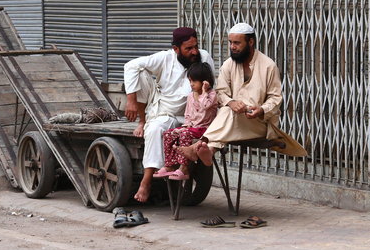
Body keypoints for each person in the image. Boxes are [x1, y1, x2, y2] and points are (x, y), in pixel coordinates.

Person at [178, 23, 306, 165]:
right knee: (228, 110)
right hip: (232, 120)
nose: (232, 47)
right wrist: (231, 103)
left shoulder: (269, 66)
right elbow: (220, 92)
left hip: (258, 123)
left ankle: (198, 146)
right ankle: (210, 149)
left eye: (237, 43)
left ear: (250, 42)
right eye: (231, 42)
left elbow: (276, 98)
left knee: (228, 112)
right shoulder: (228, 64)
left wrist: (261, 110)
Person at [124, 27, 215, 202]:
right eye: (188, 48)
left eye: (195, 46)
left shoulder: (204, 57)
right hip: (164, 113)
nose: (194, 52)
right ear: (176, 49)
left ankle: (158, 178)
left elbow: (211, 89)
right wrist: (131, 101)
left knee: (175, 131)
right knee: (154, 128)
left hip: (193, 117)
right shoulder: (165, 58)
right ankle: (146, 181)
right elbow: (130, 65)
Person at [153, 62, 218, 181]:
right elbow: (187, 115)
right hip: (192, 128)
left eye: (194, 81)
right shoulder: (190, 96)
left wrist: (204, 91)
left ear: (204, 81)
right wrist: (186, 126)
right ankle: (169, 165)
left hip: (205, 129)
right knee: (168, 134)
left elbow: (205, 106)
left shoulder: (211, 95)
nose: (191, 84)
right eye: (190, 81)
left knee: (184, 134)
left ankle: (184, 168)